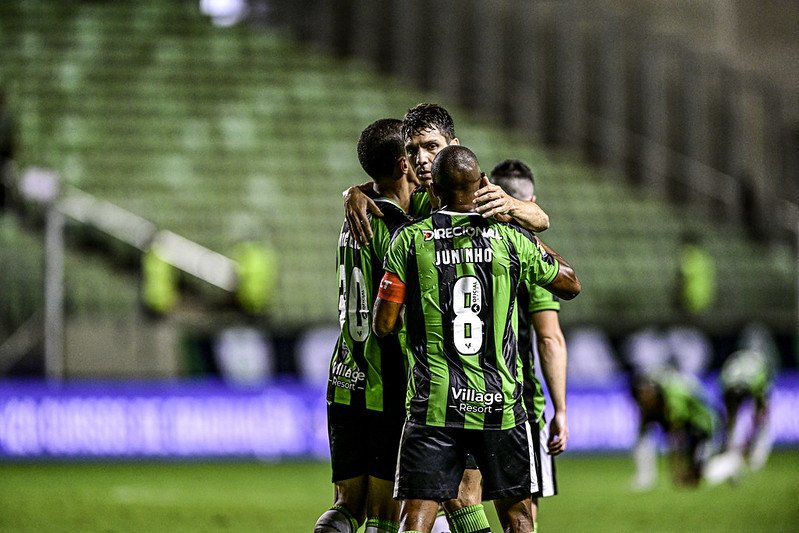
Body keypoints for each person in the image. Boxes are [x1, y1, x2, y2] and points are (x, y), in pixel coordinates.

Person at [372, 145, 581, 533]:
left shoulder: (409, 241)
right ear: (481, 185)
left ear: (434, 189)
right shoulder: (509, 240)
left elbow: (383, 325)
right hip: (499, 402)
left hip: (434, 404)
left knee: (415, 517)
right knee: (518, 516)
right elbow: (570, 282)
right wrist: (519, 227)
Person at [439, 159, 569, 533]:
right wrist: (560, 408)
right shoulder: (525, 253)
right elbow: (549, 336)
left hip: (453, 396)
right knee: (521, 514)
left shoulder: (442, 242)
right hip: (516, 402)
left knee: (461, 499)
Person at [314, 118, 419, 533]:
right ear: (402, 164)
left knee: (344, 508)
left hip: (345, 372)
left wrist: (354, 190)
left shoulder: (353, 218)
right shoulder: (402, 232)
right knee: (383, 515)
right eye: (412, 154)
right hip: (386, 380)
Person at [344, 103, 550, 245]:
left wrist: (511, 204)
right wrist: (355, 192)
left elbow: (542, 221)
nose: (421, 159)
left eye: (431, 146)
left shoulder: (474, 195)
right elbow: (385, 184)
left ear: (453, 146)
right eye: (412, 150)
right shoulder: (418, 194)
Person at [630, 368, 718, 489]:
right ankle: (644, 477)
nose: (644, 398)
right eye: (642, 394)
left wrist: (676, 471)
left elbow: (677, 437)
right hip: (682, 422)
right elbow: (641, 435)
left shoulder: (674, 397)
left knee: (697, 475)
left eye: (648, 393)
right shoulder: (648, 401)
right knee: (642, 440)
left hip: (700, 425)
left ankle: (728, 466)